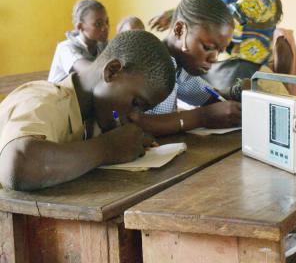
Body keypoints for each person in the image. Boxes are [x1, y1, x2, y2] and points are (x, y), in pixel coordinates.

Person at [0, 30, 175, 191]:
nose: (135, 117)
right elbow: (18, 165)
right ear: (112, 71)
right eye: (136, 103)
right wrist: (108, 148)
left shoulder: (92, 116)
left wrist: (126, 143)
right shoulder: (44, 100)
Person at [129, 0, 242, 137]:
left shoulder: (178, 68)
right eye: (208, 47)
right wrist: (201, 117)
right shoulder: (147, 61)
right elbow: (129, 122)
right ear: (179, 30)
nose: (213, 58)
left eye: (219, 51)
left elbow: (210, 98)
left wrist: (236, 94)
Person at [48, 0, 109, 83]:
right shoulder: (65, 48)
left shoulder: (103, 45)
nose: (105, 28)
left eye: (106, 22)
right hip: (60, 95)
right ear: (80, 27)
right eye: (98, 24)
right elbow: (89, 71)